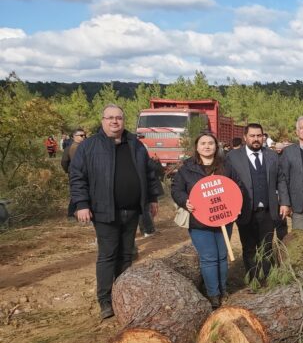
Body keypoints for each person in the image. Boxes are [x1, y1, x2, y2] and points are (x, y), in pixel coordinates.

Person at [69, 104, 163, 319]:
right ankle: (105, 300)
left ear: (123, 120)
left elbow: (149, 174)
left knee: (126, 254)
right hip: (103, 210)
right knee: (108, 255)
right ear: (102, 120)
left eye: (118, 118)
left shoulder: (136, 145)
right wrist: (81, 204)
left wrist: (152, 198)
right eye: (110, 118)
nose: (114, 122)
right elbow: (77, 177)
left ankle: (123, 295)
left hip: (131, 210)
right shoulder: (89, 147)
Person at [171, 132, 234, 309]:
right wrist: (185, 201)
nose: (207, 146)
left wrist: (234, 206)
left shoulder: (226, 167)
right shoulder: (186, 169)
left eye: (211, 143)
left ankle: (223, 289)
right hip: (199, 222)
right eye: (203, 143)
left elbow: (237, 188)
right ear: (197, 148)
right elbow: (176, 190)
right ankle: (213, 294)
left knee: (222, 257)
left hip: (223, 219)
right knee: (208, 258)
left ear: (216, 147)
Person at [225, 123, 285, 283]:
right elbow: (227, 183)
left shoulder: (272, 156)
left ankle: (266, 279)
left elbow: (281, 180)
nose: (256, 139)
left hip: (267, 210)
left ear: (263, 137)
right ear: (245, 137)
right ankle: (253, 280)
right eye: (252, 136)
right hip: (245, 211)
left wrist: (284, 202)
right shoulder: (232, 157)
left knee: (266, 247)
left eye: (259, 135)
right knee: (249, 248)